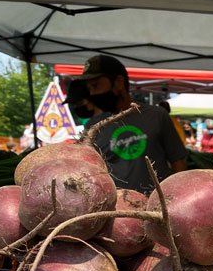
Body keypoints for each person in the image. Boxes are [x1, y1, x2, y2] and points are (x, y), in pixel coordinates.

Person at [77, 55, 187, 193]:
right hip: (116, 209)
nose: (92, 93)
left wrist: (178, 194)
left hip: (157, 207)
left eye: (95, 86)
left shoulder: (157, 116)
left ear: (118, 82)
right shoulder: (93, 128)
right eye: (89, 89)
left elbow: (178, 163)